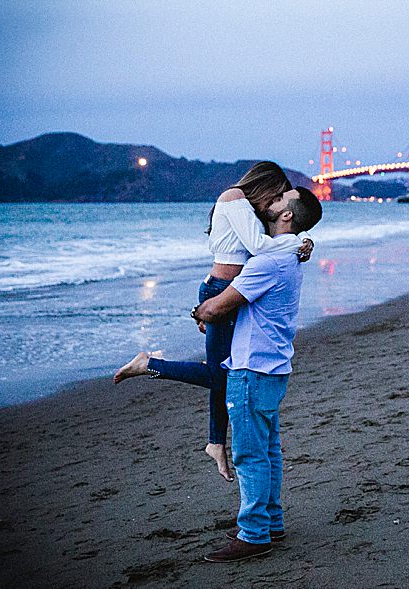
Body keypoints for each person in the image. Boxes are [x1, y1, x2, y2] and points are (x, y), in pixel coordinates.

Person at [113, 162, 313, 483]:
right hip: (220, 291)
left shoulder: (251, 211)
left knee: (222, 370)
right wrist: (297, 244)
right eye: (275, 193)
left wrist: (302, 241)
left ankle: (216, 442)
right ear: (263, 183)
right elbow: (258, 247)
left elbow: (270, 241)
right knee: (219, 373)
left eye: (280, 198)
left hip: (235, 293)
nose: (276, 201)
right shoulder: (233, 197)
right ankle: (149, 365)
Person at [195, 187, 322, 563]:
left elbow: (218, 308)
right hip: (274, 364)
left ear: (286, 216)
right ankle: (272, 521)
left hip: (252, 368)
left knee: (250, 454)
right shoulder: (290, 256)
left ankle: (253, 535)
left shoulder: (268, 263)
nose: (272, 200)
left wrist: (200, 311)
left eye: (282, 198)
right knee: (267, 449)